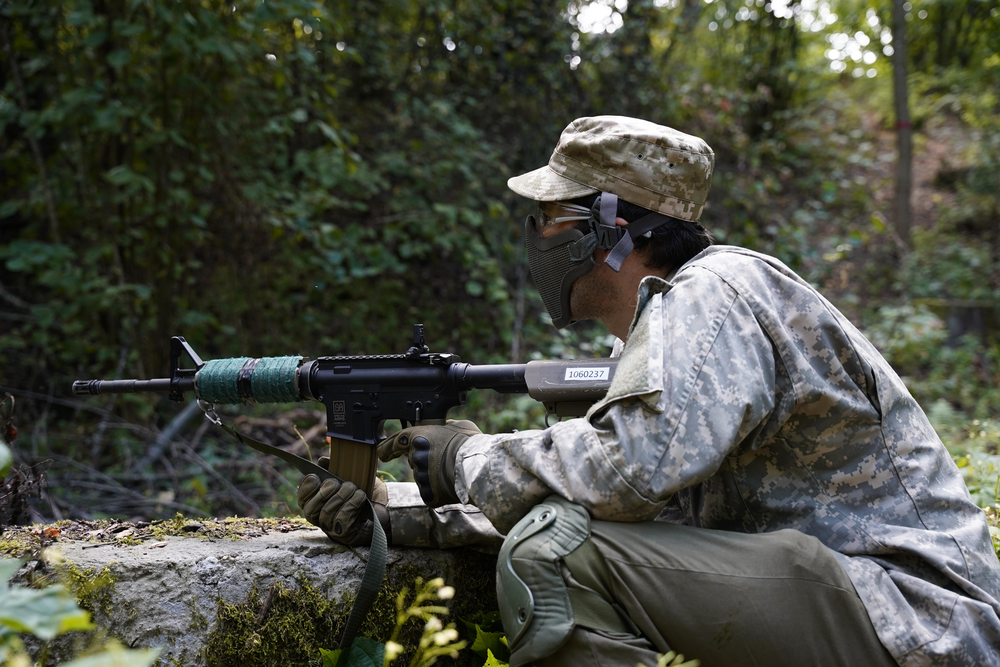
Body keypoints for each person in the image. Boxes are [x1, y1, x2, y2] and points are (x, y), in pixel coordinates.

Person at [298, 116, 1000, 666]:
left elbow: (625, 472)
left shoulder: (717, 293)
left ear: (609, 225)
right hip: (863, 610)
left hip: (916, 619)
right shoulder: (658, 327)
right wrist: (402, 516)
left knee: (552, 558)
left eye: (549, 216)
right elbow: (617, 516)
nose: (537, 236)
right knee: (558, 540)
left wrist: (465, 459)